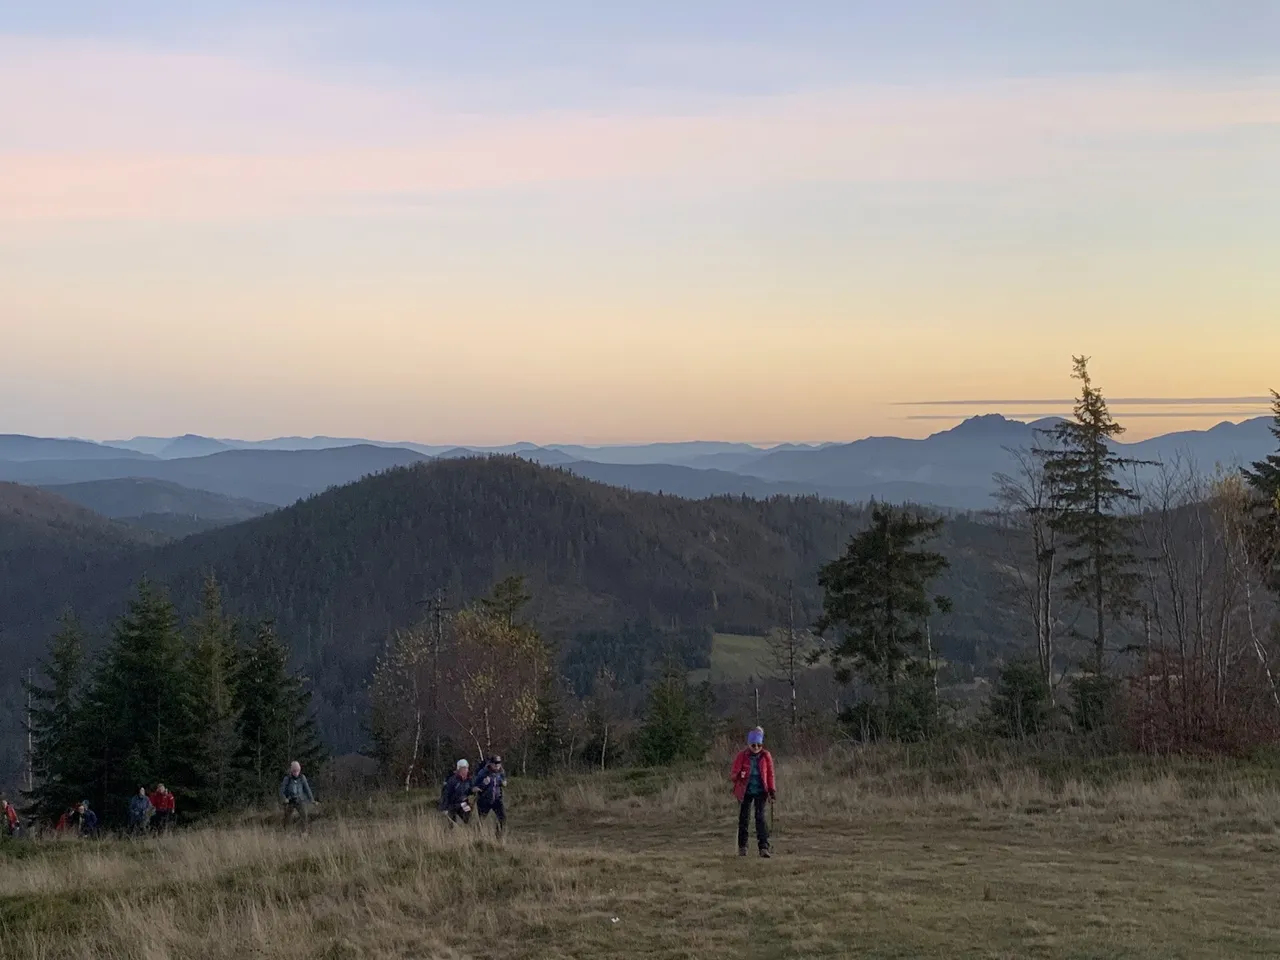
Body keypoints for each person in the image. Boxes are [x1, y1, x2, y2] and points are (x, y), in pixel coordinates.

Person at [730, 726, 775, 858]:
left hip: (761, 790)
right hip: (745, 790)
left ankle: (764, 847)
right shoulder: (742, 755)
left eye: (759, 745)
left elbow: (770, 774)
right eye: (753, 745)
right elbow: (734, 772)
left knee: (760, 818)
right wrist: (737, 776)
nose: (756, 747)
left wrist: (772, 791)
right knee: (744, 818)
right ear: (749, 744)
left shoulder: (766, 756)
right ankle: (742, 847)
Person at [473, 755, 507, 836]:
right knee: (481, 820)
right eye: (495, 763)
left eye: (499, 763)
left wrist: (503, 783)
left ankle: (499, 837)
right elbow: (474, 787)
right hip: (484, 800)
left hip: (497, 799)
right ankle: (477, 837)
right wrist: (483, 784)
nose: (497, 765)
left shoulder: (501, 771)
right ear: (491, 763)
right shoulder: (483, 772)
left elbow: (505, 781)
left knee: (503, 818)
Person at [279, 760, 316, 831]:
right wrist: (284, 799)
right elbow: (282, 791)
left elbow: (307, 789)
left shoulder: (302, 778)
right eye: (294, 771)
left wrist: (312, 800)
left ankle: (304, 831)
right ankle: (286, 831)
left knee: (304, 815)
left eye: (297, 771)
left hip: (300, 800)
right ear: (291, 771)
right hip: (289, 800)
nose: (296, 773)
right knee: (287, 817)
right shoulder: (287, 779)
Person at [439, 759, 475, 825]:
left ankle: (468, 832)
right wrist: (444, 808)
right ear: (460, 769)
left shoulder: (469, 780)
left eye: (467, 768)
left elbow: (470, 791)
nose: (466, 770)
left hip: (463, 804)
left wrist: (473, 791)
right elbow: (446, 794)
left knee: (469, 820)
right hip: (452, 805)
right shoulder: (452, 780)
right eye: (464, 768)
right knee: (450, 824)